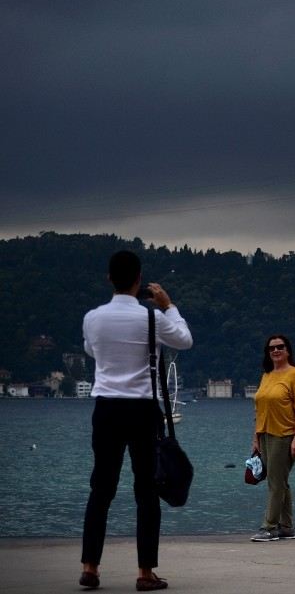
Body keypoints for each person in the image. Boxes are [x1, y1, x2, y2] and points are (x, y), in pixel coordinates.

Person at [80, 250, 193, 591]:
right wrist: (168, 305)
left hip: (106, 408)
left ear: (108, 279)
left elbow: (91, 351)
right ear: (139, 280)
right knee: (146, 491)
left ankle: (90, 567)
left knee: (101, 489)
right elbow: (185, 340)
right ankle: (145, 573)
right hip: (142, 410)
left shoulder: (92, 318)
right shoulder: (151, 319)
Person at [250, 335, 295, 541]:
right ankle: (287, 526)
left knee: (276, 482)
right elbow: (259, 408)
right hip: (265, 433)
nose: (275, 350)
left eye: (280, 347)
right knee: (279, 480)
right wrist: (255, 437)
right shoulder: (267, 375)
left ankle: (269, 527)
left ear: (288, 350)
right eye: (271, 348)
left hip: (285, 435)